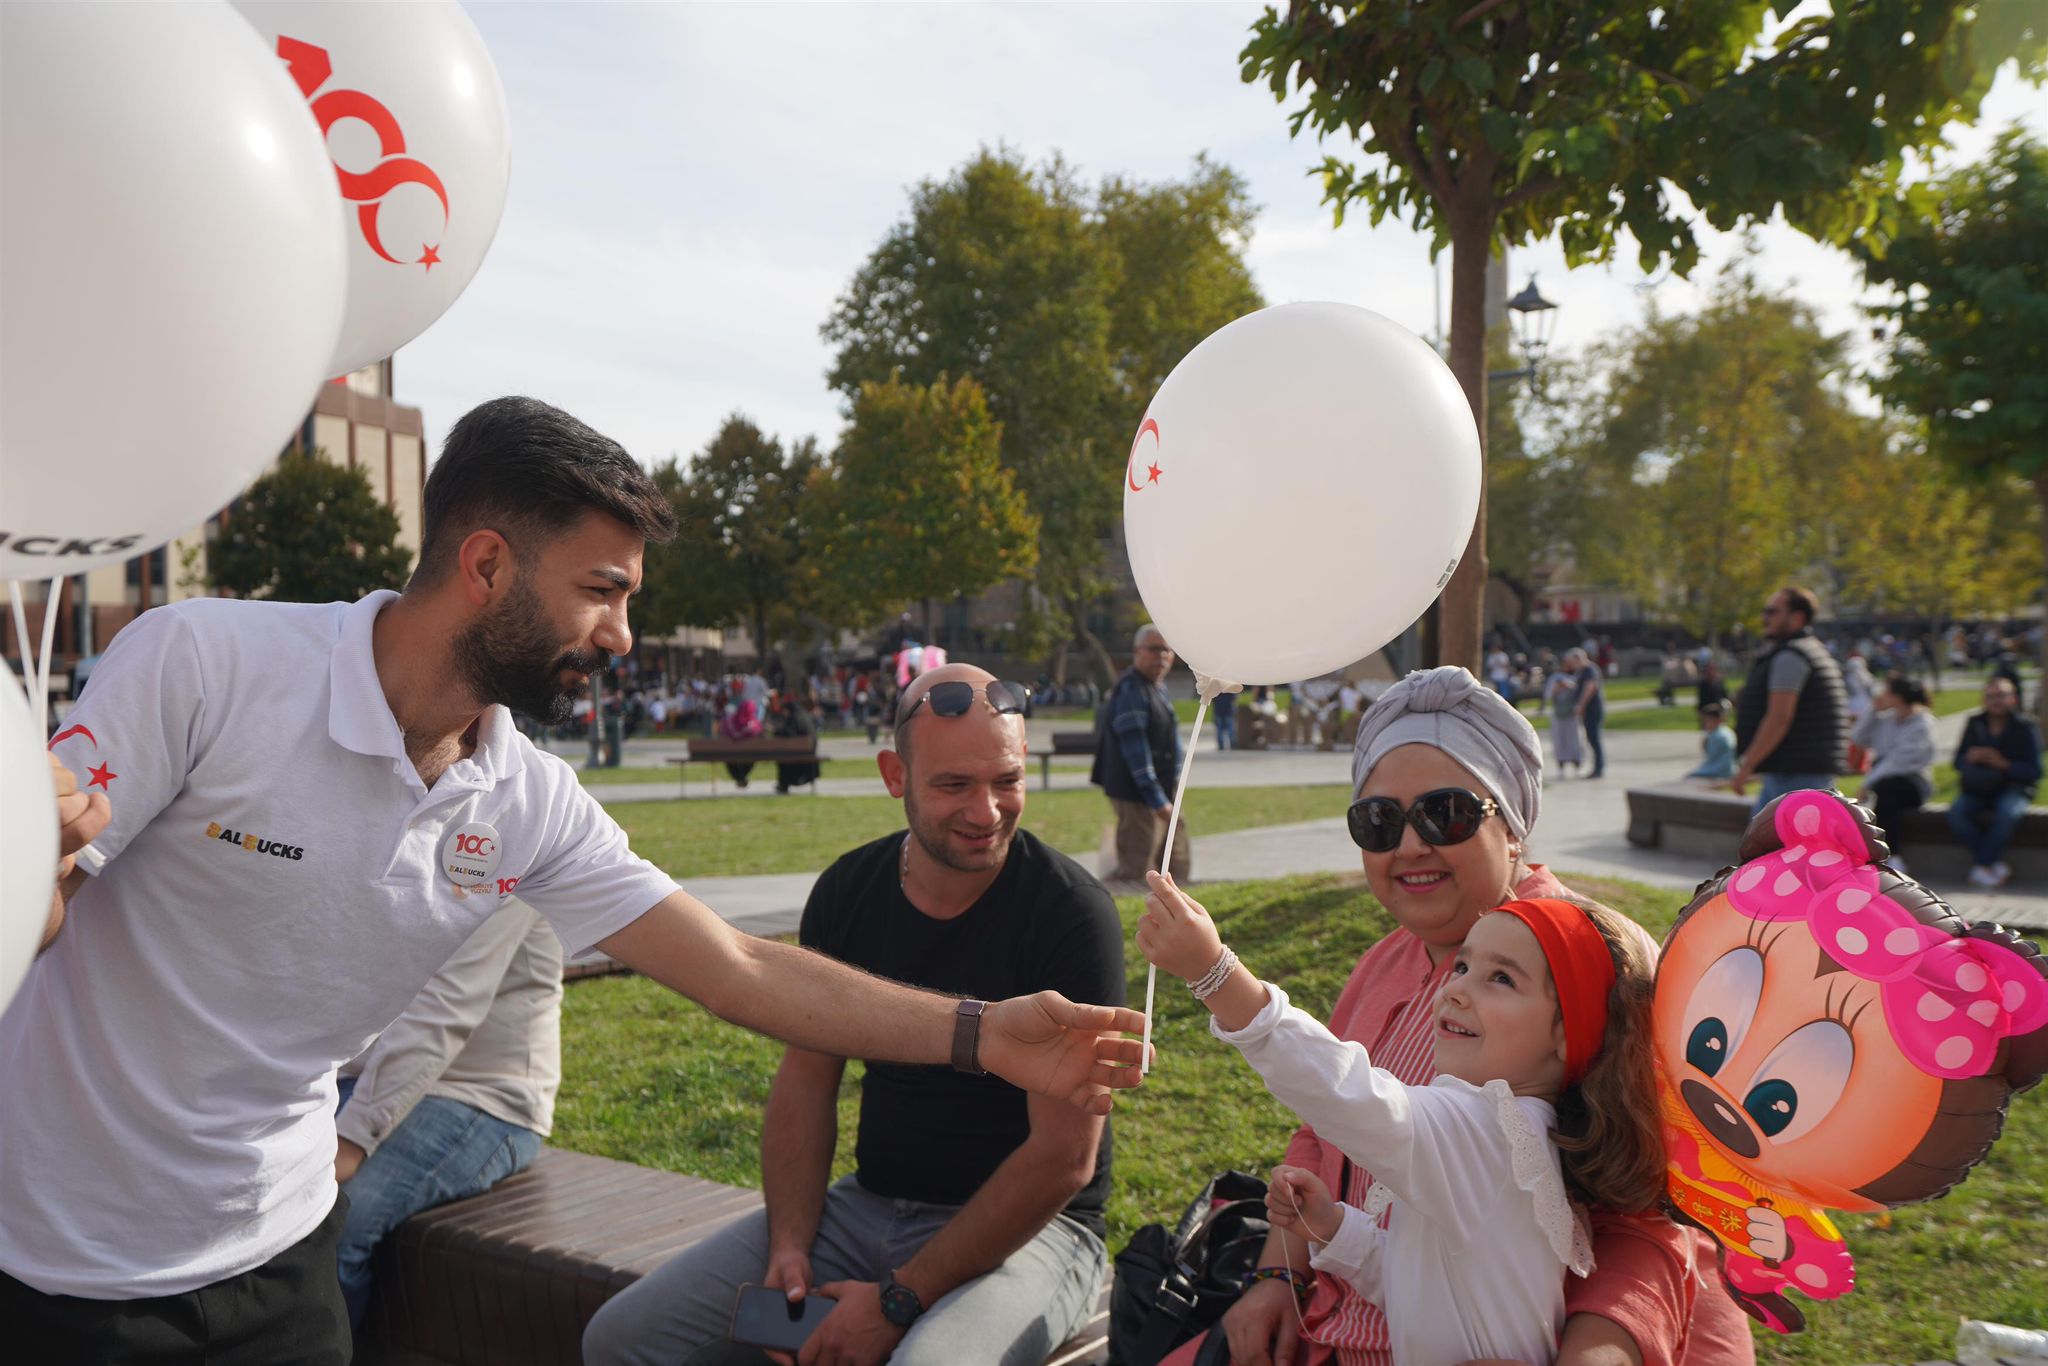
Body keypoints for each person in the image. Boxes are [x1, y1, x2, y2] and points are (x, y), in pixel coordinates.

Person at [10, 396, 1145, 1362]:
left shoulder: (521, 796)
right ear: (487, 564)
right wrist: (36, 876)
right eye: (603, 589)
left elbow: (737, 965)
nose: (622, 634)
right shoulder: (204, 664)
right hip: (53, 1266)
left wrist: (981, 1031)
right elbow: (37, 895)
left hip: (277, 1261)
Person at [1154, 668, 1752, 1366]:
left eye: (1447, 813)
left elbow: (1659, 1218)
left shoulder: (1595, 964)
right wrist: (1280, 1274)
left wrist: (1219, 976)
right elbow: (1321, 1137)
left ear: (1513, 824)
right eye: (1378, 822)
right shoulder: (1386, 962)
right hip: (1336, 1327)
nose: (1410, 846)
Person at [585, 664, 1123, 1366]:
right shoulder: (849, 889)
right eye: (955, 785)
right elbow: (807, 1082)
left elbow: (1064, 1160)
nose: (986, 811)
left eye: (1007, 781)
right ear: (894, 775)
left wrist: (901, 1299)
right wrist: (788, 1246)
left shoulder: (1071, 915)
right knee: (622, 1340)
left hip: (1037, 1233)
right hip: (866, 1205)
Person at [1140, 881, 1662, 1366]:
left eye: (1501, 978)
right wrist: (1336, 1229)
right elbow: (1422, 1284)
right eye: (1461, 967)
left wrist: (1214, 972)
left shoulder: (1488, 1128)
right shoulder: (1521, 1138)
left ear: (1570, 1037)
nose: (1456, 990)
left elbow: (1342, 1090)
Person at [332, 901, 560, 1325]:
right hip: (353, 1078)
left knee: (333, 1219)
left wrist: (350, 1140)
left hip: (480, 1095)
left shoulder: (503, 851)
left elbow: (444, 1008)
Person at [1727, 585, 1848, 810]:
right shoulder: (1810, 650)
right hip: (1795, 772)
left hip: (1797, 776)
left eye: (1772, 611)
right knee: (1763, 843)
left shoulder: (1790, 657)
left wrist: (1747, 765)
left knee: (1774, 842)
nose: (1765, 618)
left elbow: (1779, 716)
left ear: (1797, 617)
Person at [1091, 624, 1190, 885]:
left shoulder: (1156, 687)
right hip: (1138, 797)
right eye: (1154, 649)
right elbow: (1136, 752)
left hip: (1159, 792)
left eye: (1167, 651)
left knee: (1172, 864)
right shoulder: (1132, 690)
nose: (1161, 656)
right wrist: (1157, 800)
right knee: (1136, 870)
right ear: (1137, 652)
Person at [1947, 676, 2042, 888]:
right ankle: (1991, 863)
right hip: (1978, 787)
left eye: (2001, 696)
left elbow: (2034, 771)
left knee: (2006, 814)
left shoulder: (2025, 726)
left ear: (2013, 699)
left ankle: (1982, 865)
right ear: (1984, 699)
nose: (1996, 701)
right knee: (1956, 813)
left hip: (2013, 787)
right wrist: (1970, 758)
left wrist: (2004, 764)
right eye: (1991, 696)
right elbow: (1958, 761)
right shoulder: (1975, 723)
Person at [1851, 675, 1939, 859]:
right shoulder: (1888, 720)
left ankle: (1891, 854)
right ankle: (1888, 853)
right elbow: (1858, 738)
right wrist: (1872, 709)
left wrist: (1867, 784)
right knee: (1885, 794)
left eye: (1887, 692)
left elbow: (1898, 762)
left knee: (1886, 791)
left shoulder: (1922, 724)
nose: (1882, 695)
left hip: (1913, 782)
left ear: (1898, 697)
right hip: (1885, 781)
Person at [1567, 647, 1605, 779]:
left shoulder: (1589, 669)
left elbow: (1591, 687)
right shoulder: (1582, 671)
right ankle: (1596, 768)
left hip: (1592, 709)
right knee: (1591, 738)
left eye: (1572, 661)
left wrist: (1580, 705)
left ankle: (1599, 769)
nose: (1571, 665)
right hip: (1587, 710)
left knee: (1594, 739)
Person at [771, 693, 821, 794]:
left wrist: (775, 731)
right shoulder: (805, 715)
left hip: (800, 754)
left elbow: (788, 733)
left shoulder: (794, 717)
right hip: (809, 752)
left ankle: (783, 785)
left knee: (782, 758)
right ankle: (783, 785)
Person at [721, 684, 764, 788]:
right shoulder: (754, 724)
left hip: (731, 751)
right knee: (752, 756)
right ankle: (742, 777)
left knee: (729, 757)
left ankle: (739, 778)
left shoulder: (731, 721)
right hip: (749, 753)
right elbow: (758, 732)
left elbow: (725, 729)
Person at [1544, 665, 1582, 779]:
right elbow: (1548, 695)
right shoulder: (1554, 679)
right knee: (1560, 741)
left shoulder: (1575, 677)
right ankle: (1561, 767)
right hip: (1558, 715)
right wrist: (1557, 688)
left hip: (1571, 715)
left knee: (1574, 740)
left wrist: (1569, 686)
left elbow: (1579, 692)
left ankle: (1577, 766)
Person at [1685, 701, 1737, 781]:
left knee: (1689, 778)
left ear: (1716, 720)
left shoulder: (1719, 736)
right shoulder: (1722, 731)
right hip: (1726, 769)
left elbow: (1712, 759)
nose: (1704, 723)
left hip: (1720, 771)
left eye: (1706, 720)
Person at [1213, 686, 1238, 751]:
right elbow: (1234, 698)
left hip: (1219, 709)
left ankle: (1221, 745)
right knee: (1230, 728)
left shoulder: (1216, 687)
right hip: (1227, 710)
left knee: (1220, 729)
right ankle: (1232, 744)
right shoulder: (1229, 686)